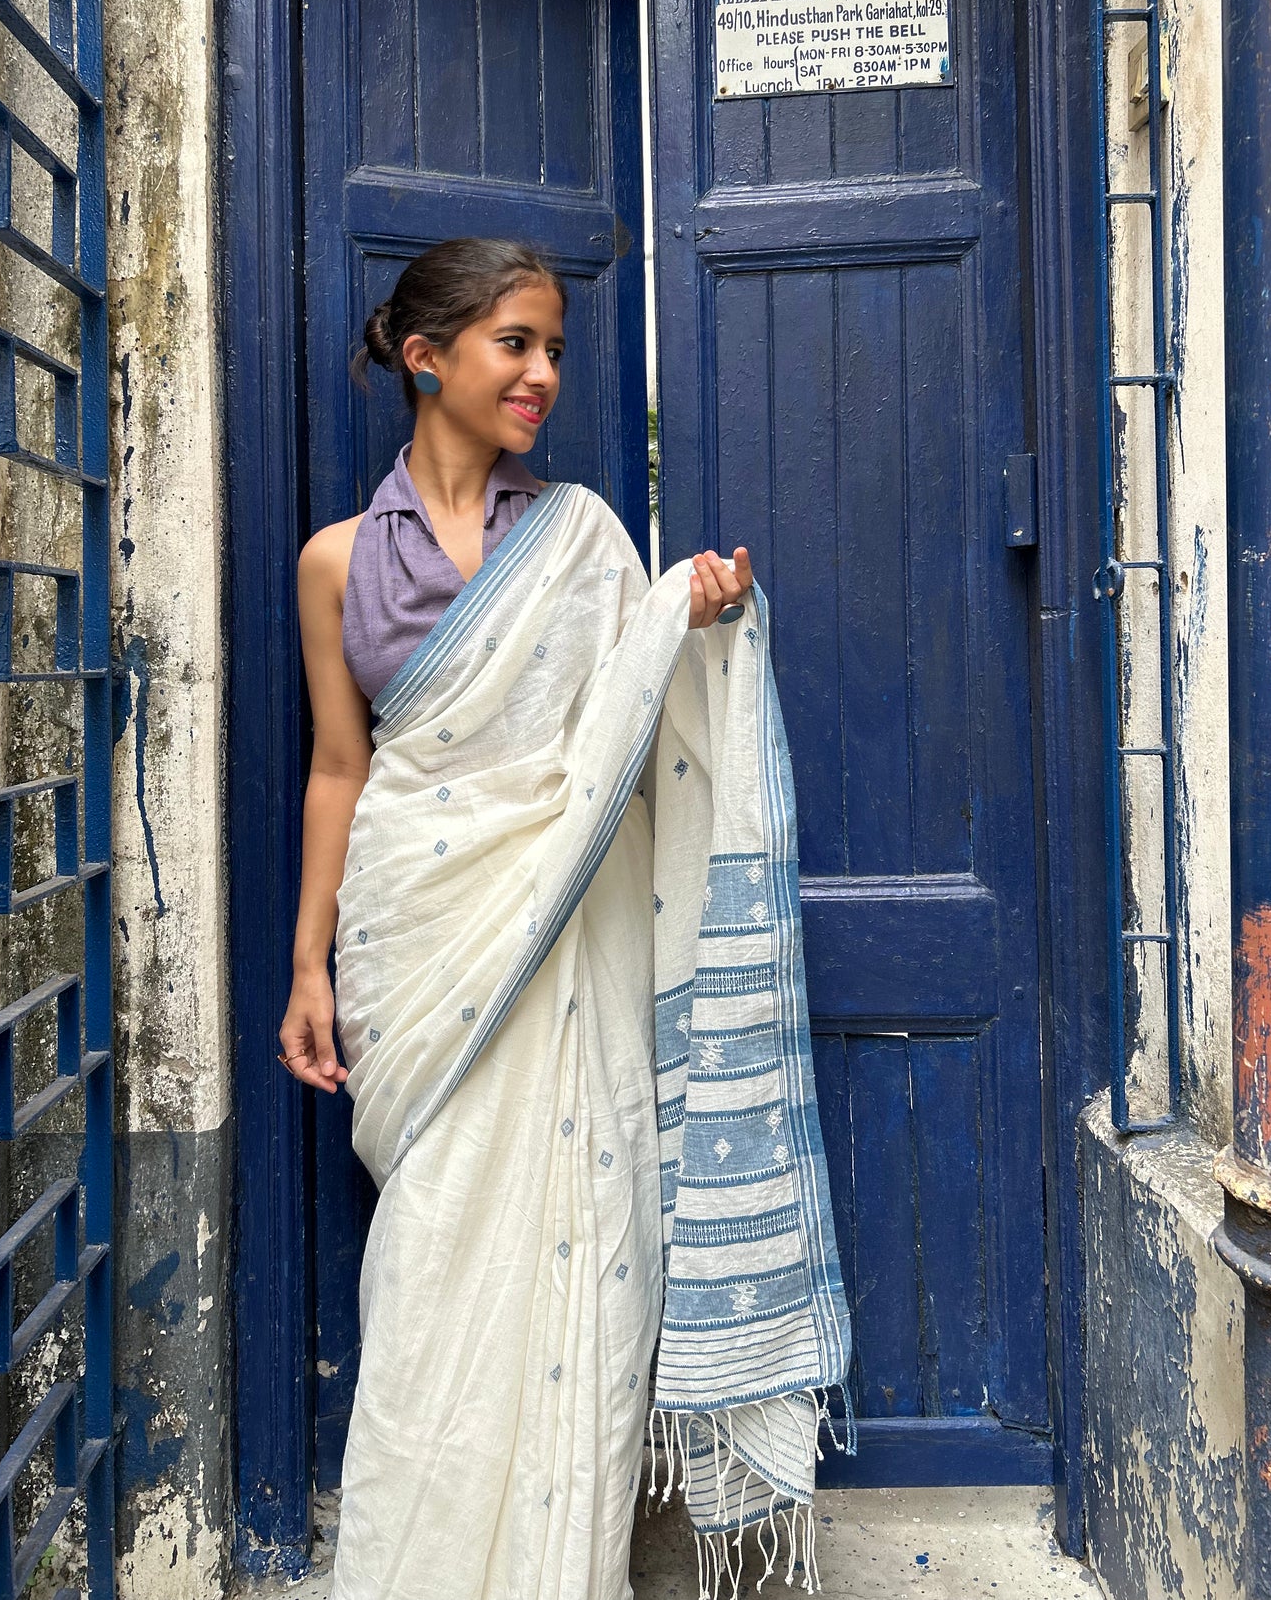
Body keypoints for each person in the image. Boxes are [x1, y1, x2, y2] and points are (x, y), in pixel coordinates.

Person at [279, 238, 851, 1600]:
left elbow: (621, 747)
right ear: (426, 358)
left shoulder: (585, 540)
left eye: (551, 349)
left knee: (582, 1254)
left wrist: (692, 621)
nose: (542, 374)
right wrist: (307, 962)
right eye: (513, 345)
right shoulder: (335, 562)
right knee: (427, 1271)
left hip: (568, 951)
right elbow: (340, 769)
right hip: (425, 947)